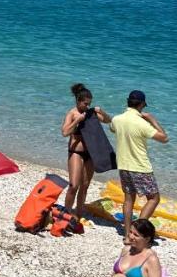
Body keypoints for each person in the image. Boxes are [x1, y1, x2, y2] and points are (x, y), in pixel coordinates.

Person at [109, 90, 169, 227]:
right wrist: (152, 120)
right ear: (141, 104)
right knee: (154, 198)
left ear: (128, 102)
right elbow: (164, 138)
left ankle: (128, 235)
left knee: (129, 200)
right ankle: (139, 230)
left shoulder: (117, 119)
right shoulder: (142, 124)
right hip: (140, 167)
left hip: (123, 166)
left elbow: (112, 128)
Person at [63, 83, 112, 216]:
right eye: (85, 103)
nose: (87, 106)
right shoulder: (72, 113)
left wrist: (101, 111)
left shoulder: (90, 113)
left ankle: (78, 214)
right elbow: (65, 132)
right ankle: (65, 213)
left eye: (89, 103)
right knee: (74, 185)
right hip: (76, 152)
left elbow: (108, 121)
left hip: (90, 153)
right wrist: (77, 121)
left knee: (84, 186)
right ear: (78, 101)